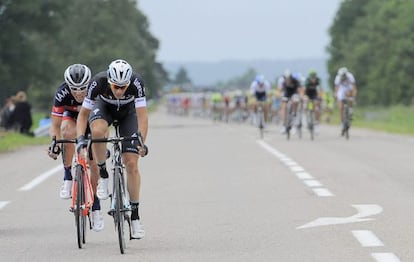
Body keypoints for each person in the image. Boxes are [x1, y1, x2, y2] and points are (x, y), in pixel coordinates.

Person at [76, 59, 148, 239]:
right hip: (104, 109)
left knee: (131, 164)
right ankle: (104, 174)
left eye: (123, 87)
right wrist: (79, 139)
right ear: (109, 81)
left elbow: (143, 117)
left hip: (127, 114)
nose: (119, 91)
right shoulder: (97, 82)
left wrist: (141, 142)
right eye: (116, 86)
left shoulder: (137, 83)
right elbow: (83, 115)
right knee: (99, 131)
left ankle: (136, 217)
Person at [47, 64, 104, 232]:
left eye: (82, 89)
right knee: (66, 132)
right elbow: (55, 125)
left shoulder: (97, 90)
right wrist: (54, 143)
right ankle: (67, 176)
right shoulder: (62, 92)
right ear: (67, 86)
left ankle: (96, 207)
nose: (79, 93)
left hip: (91, 119)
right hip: (71, 118)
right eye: (74, 89)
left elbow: (103, 122)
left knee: (93, 164)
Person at [334, 67, 357, 135]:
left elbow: (354, 88)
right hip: (342, 88)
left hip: (348, 87)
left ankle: (350, 110)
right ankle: (342, 123)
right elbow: (337, 88)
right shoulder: (338, 78)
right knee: (341, 108)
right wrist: (336, 95)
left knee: (350, 95)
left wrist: (353, 97)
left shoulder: (350, 76)